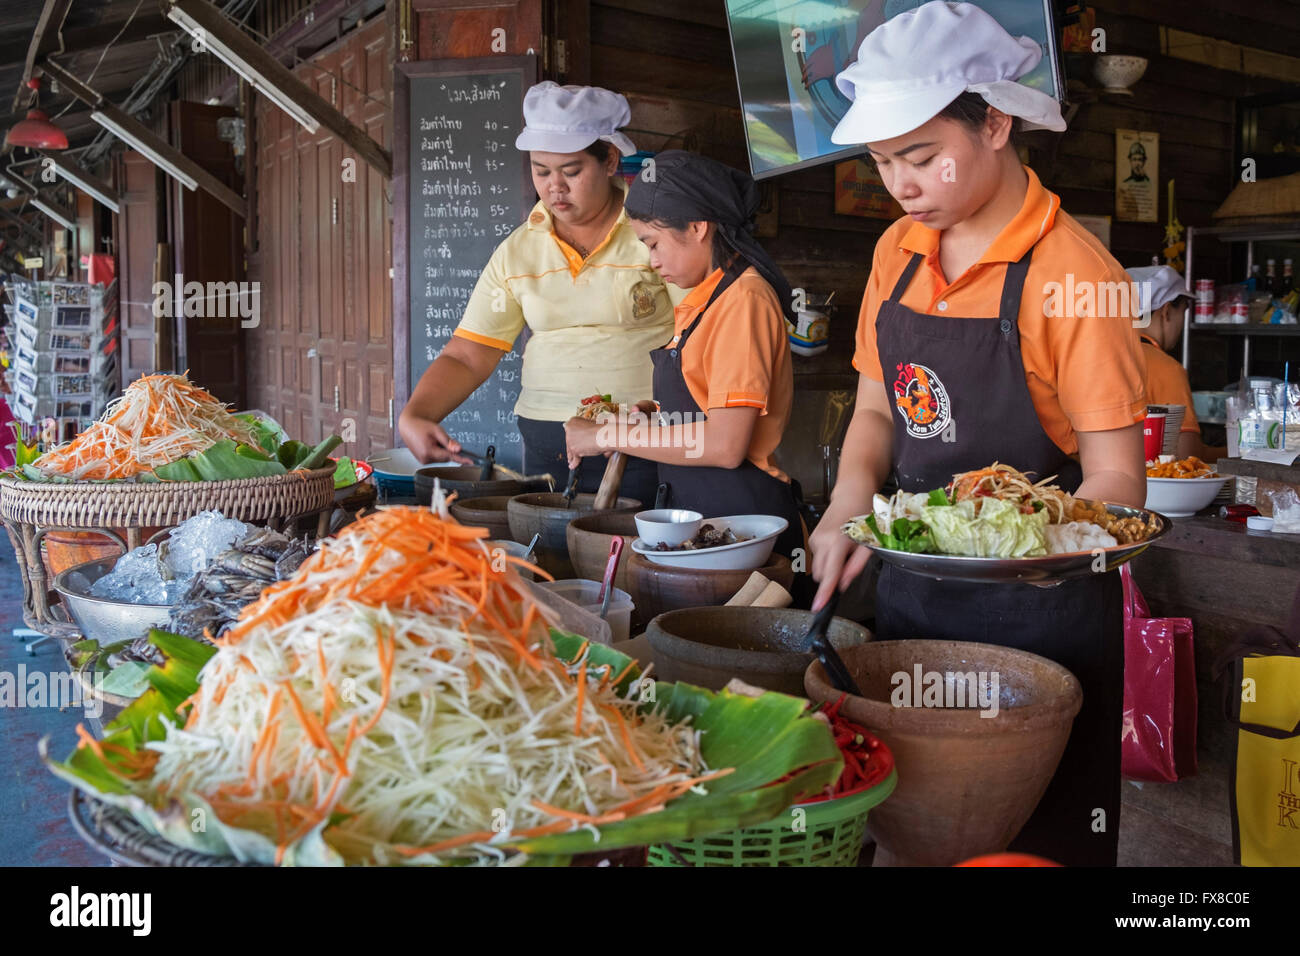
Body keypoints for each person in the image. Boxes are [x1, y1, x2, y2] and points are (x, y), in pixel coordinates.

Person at [809, 1, 1148, 866]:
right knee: (918, 825)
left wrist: (1012, 543)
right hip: (915, 595)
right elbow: (880, 406)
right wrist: (848, 507)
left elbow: (1118, 479)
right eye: (884, 161)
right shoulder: (898, 249)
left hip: (1040, 615)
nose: (902, 183)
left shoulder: (1077, 273)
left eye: (922, 156)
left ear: (995, 122)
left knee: (1034, 843)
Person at [398, 82, 675, 506]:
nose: (554, 188)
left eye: (571, 170)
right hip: (548, 447)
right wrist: (416, 415)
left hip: (646, 443)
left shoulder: (653, 233)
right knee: (554, 561)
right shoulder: (519, 249)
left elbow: (702, 331)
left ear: (610, 161)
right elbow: (469, 353)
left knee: (637, 558)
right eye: (541, 170)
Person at [562, 151, 804, 557]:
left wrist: (608, 435)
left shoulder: (744, 299)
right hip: (708, 525)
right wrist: (650, 416)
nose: (652, 262)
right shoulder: (705, 302)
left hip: (745, 530)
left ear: (696, 227)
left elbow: (726, 445)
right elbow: (703, 408)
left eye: (653, 243)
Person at [1129, 264, 1226, 461]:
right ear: (1166, 312)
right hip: (1145, 488)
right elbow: (1186, 457)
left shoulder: (1097, 357)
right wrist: (1242, 452)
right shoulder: (1165, 368)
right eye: (1182, 311)